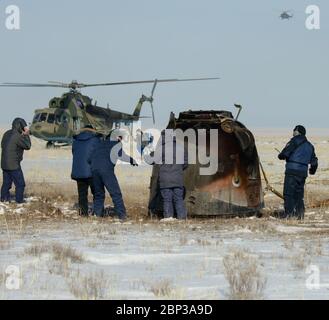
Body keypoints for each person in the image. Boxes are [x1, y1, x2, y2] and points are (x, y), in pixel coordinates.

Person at [91, 132, 138, 219]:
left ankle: (97, 215)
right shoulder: (116, 144)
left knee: (98, 194)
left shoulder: (99, 143)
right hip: (106, 170)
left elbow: (89, 157)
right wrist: (132, 160)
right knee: (116, 193)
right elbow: (122, 156)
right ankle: (122, 216)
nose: (121, 140)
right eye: (120, 138)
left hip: (93, 169)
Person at [278, 125, 318, 220]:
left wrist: (281, 156)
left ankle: (289, 215)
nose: (293, 132)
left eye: (294, 130)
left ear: (297, 132)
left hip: (292, 171)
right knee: (299, 195)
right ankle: (300, 215)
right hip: (303, 173)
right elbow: (314, 161)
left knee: (288, 194)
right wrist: (312, 171)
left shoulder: (294, 141)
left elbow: (284, 154)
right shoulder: (310, 146)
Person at [156, 130, 188, 220]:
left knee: (167, 200)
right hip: (177, 178)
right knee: (178, 199)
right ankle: (181, 218)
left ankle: (168, 218)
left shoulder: (161, 149)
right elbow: (186, 163)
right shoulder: (181, 148)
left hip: (164, 179)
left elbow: (156, 162)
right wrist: (178, 169)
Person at [71, 125, 100, 216]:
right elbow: (98, 153)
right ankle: (97, 212)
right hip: (91, 171)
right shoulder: (95, 140)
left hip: (79, 171)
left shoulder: (75, 141)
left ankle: (83, 214)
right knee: (97, 193)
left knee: (82, 194)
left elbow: (74, 152)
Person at [1, 118, 31, 203]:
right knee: (20, 184)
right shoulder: (17, 136)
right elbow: (28, 146)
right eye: (23, 126)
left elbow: (2, 145)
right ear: (20, 126)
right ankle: (19, 202)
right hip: (13, 165)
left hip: (4, 164)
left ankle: (4, 200)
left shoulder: (6, 133)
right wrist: (26, 134)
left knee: (6, 184)